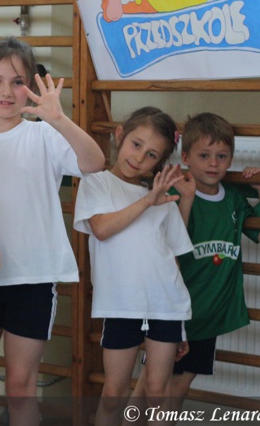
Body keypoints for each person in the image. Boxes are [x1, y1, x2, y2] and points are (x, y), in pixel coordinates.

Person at [0, 37, 105, 426]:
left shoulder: (43, 136)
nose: (6, 91)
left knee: (20, 385)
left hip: (32, 280)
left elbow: (95, 162)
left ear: (30, 86)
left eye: (17, 82)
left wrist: (58, 119)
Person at [132, 112, 260, 414]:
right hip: (174, 310)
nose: (213, 163)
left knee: (179, 388)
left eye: (222, 156)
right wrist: (186, 199)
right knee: (151, 386)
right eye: (205, 155)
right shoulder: (175, 193)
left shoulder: (233, 199)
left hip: (209, 314)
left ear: (231, 159)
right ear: (185, 157)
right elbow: (167, 242)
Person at [73, 107, 193, 426]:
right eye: (136, 144)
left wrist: (180, 325)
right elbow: (101, 228)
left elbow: (173, 258)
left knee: (157, 392)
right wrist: (147, 201)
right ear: (120, 136)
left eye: (151, 154)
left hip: (166, 306)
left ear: (160, 161)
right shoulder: (97, 183)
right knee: (113, 393)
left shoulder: (162, 199)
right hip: (121, 305)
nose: (139, 158)